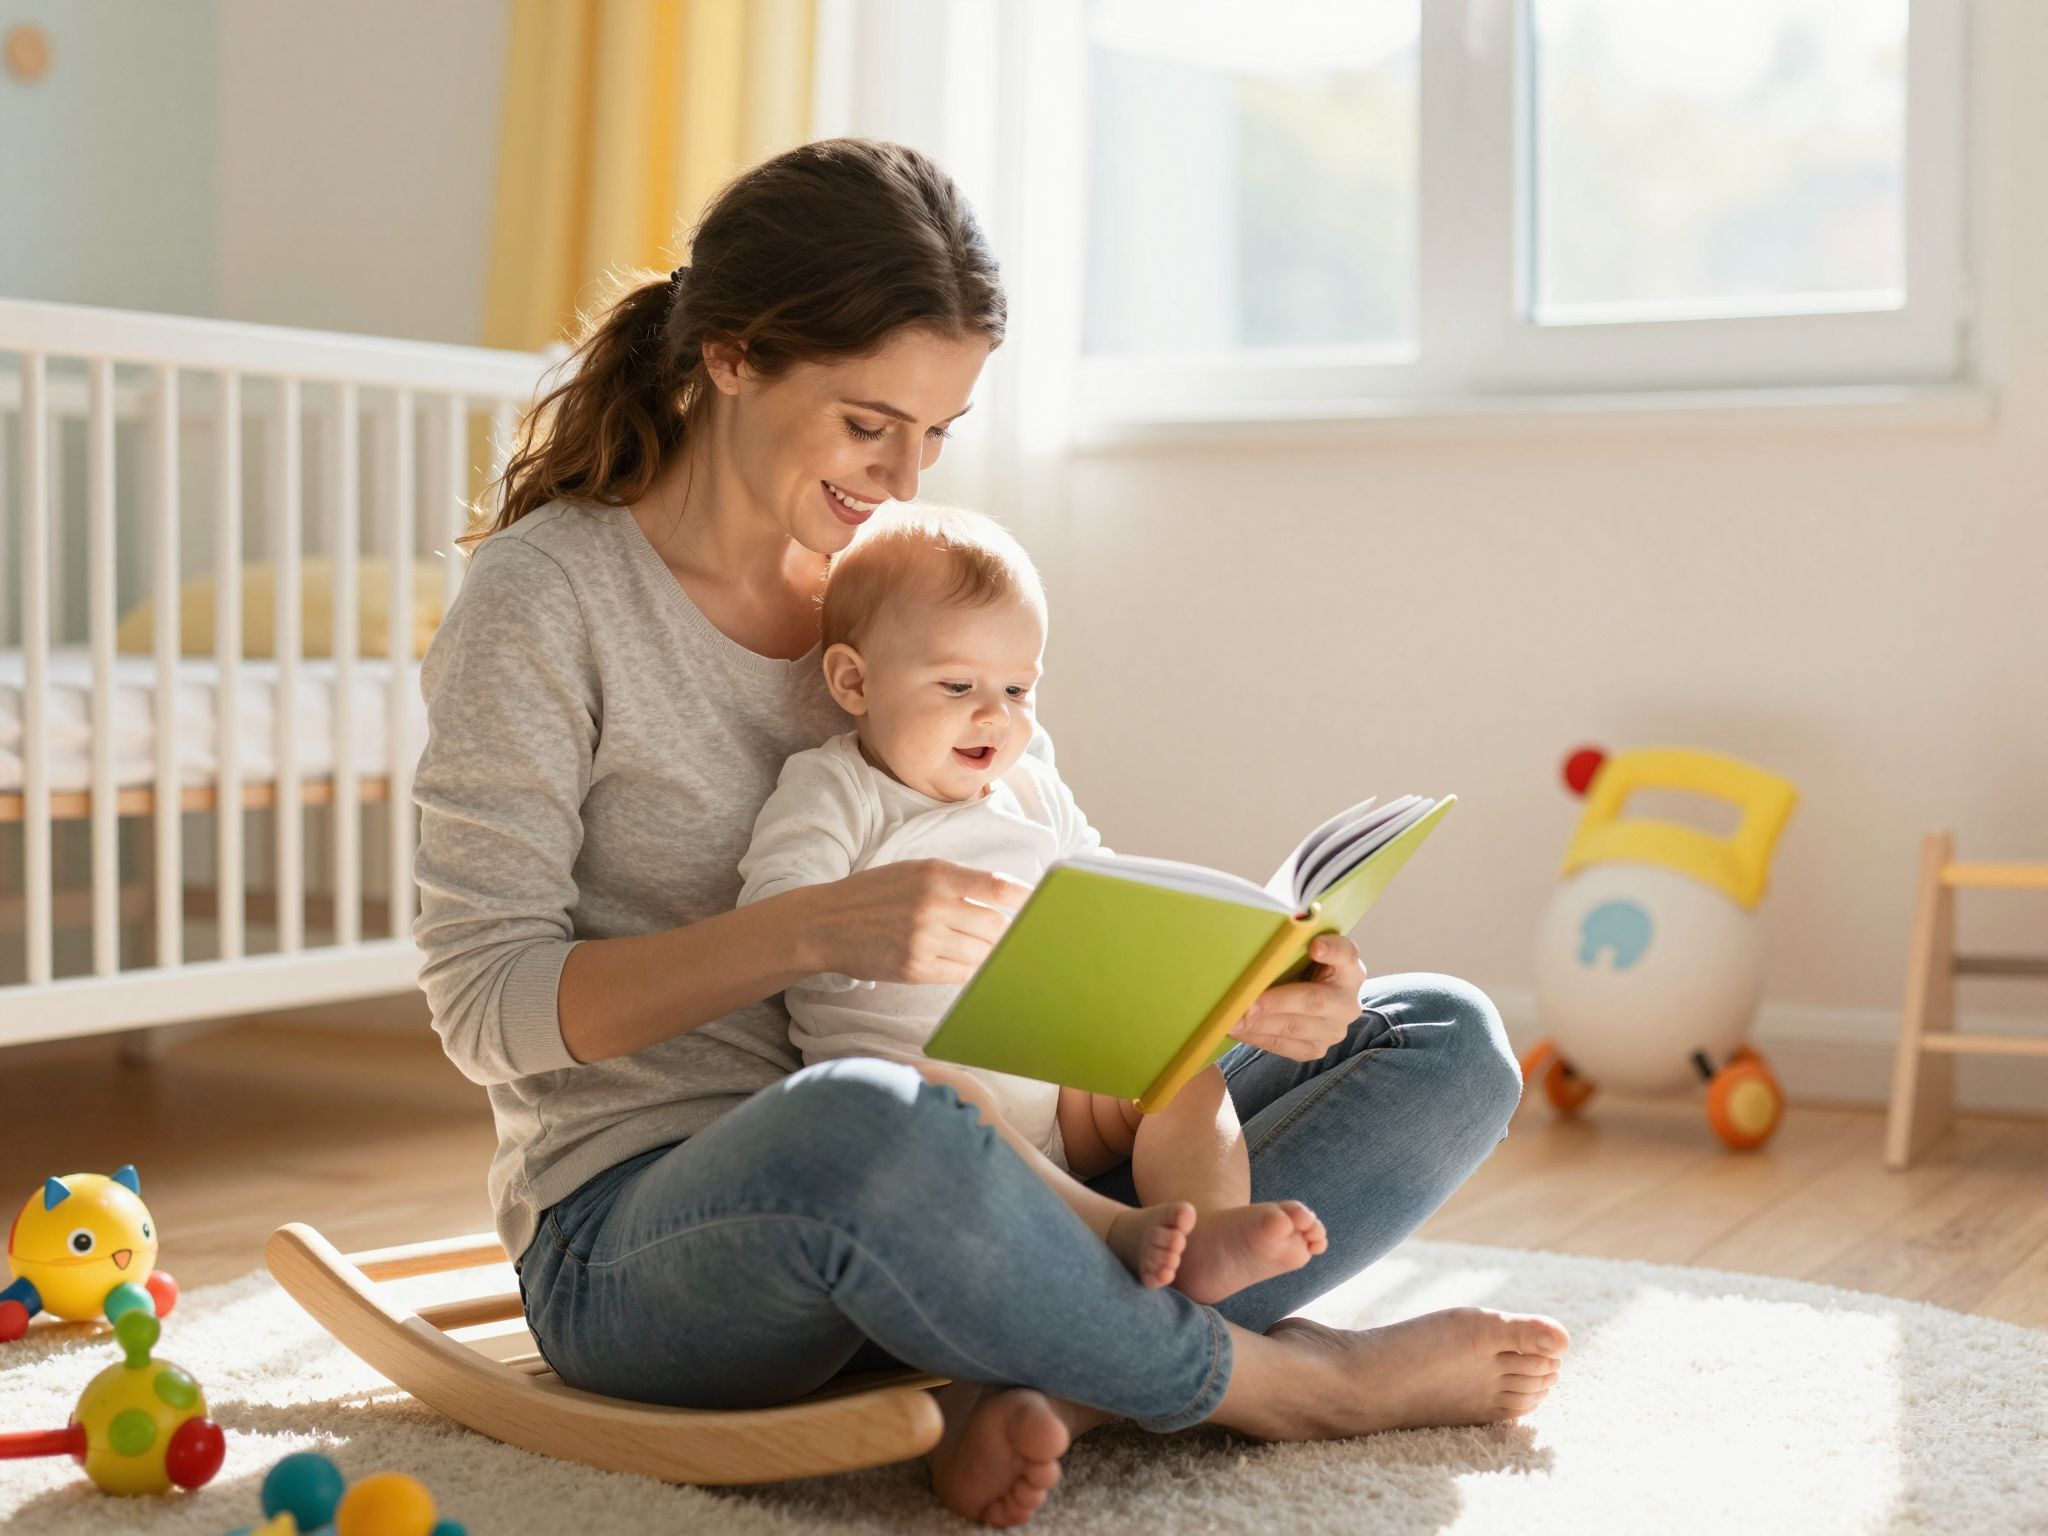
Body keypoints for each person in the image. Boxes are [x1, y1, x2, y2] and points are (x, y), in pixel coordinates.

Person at [413, 137, 1569, 1530]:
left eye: (937, 433)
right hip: (664, 1231)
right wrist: (813, 928)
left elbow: (1064, 881)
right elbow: (486, 1007)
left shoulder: (912, 590)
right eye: (866, 424)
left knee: (1441, 1035)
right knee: (871, 1119)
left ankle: (1046, 1384)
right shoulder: (551, 602)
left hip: (1022, 1170)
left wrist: (1227, 1000)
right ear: (729, 356)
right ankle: (1283, 1385)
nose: (901, 477)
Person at [734, 502, 1329, 1303]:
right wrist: (859, 918)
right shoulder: (838, 790)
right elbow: (772, 918)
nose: (996, 715)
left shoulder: (1030, 789)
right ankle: (1114, 1233)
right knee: (954, 1100)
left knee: (1180, 1076)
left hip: (1055, 1098)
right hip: (919, 1111)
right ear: (854, 680)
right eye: (957, 685)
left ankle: (1211, 1232)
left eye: (1019, 688)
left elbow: (1111, 898)